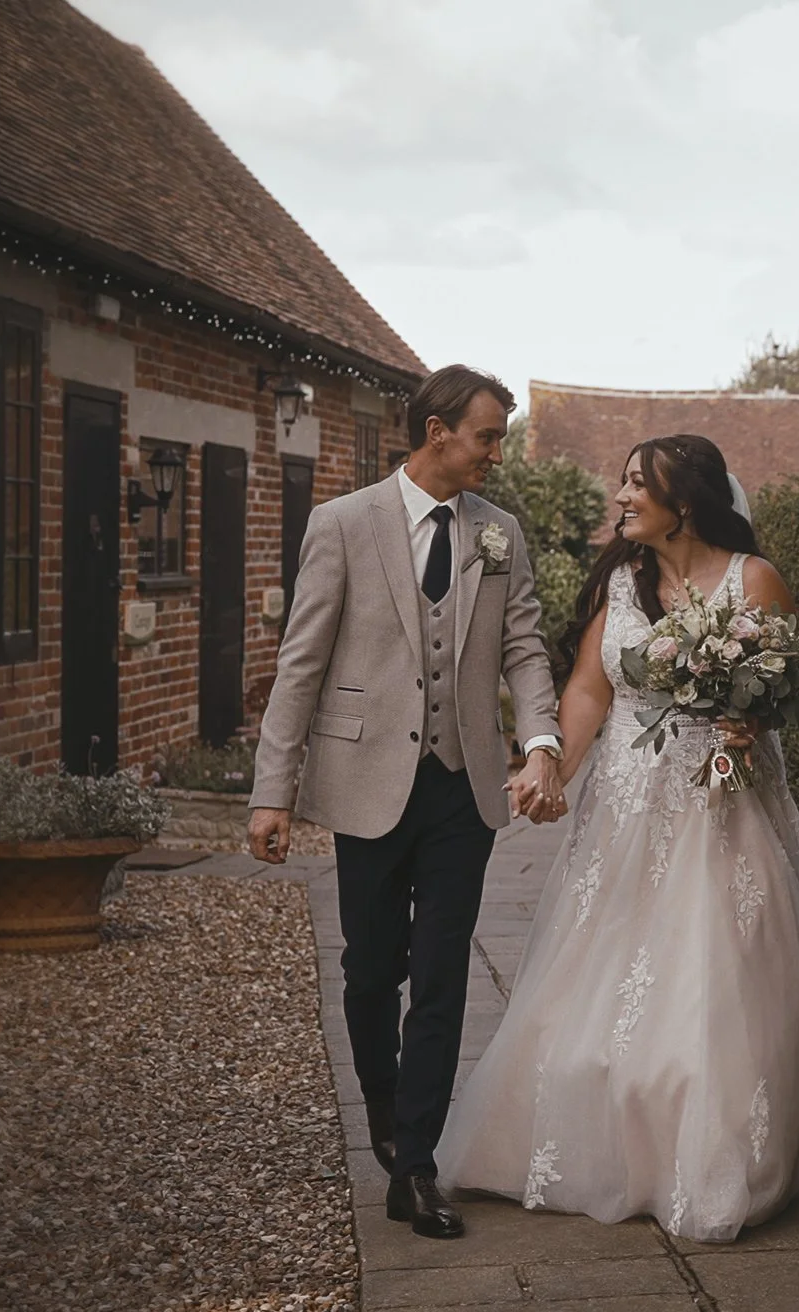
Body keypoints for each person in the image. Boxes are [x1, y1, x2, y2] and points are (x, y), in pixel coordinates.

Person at [436, 433, 799, 1239]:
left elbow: (784, 687)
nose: (620, 498)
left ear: (684, 501)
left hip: (723, 794)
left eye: (636, 486)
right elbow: (590, 689)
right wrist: (548, 765)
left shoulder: (753, 580)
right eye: (621, 483)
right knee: (601, 969)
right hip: (626, 803)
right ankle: (591, 1138)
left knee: (719, 966)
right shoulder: (621, 582)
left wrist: (746, 720)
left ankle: (717, 1159)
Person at [247, 365, 566, 1240]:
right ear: (435, 432)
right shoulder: (342, 525)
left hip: (463, 788)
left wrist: (540, 741)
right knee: (369, 969)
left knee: (442, 973)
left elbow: (527, 650)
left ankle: (416, 1165)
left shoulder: (501, 534)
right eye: (488, 436)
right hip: (365, 784)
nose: (498, 452)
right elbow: (301, 662)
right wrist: (271, 792)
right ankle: (384, 1108)